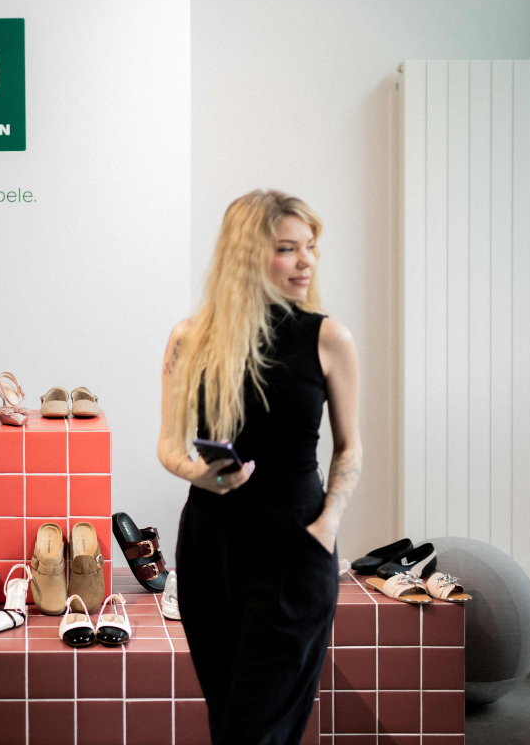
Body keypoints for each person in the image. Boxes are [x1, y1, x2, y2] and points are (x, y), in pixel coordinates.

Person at [157, 190, 362, 744]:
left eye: (310, 247)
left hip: (296, 546)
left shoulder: (328, 337)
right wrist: (200, 474)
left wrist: (328, 525)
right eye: (288, 249)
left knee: (256, 731)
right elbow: (170, 446)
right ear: (246, 255)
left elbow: (349, 447)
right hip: (210, 547)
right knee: (228, 720)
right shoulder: (189, 339)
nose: (306, 262)